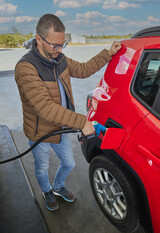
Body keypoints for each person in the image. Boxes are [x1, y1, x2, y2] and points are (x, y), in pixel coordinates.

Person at [15, 14, 121, 212]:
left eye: (62, 45)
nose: (59, 50)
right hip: (41, 133)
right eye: (55, 45)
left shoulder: (60, 58)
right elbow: (45, 107)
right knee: (41, 168)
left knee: (69, 163)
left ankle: (57, 187)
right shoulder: (26, 68)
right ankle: (47, 191)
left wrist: (107, 54)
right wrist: (81, 121)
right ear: (39, 39)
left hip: (61, 128)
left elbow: (83, 69)